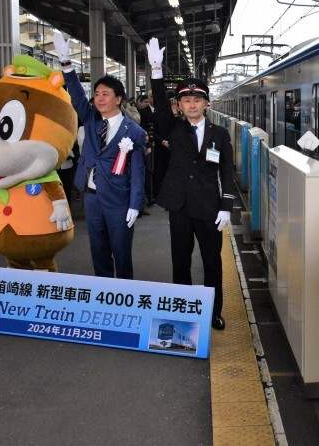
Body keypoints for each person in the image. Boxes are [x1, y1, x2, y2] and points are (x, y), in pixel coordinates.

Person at [147, 37, 234, 331]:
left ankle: (214, 311)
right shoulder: (172, 127)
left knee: (212, 263)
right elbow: (159, 107)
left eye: (197, 99)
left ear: (206, 103)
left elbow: (227, 170)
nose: (192, 104)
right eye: (186, 100)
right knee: (180, 262)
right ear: (180, 105)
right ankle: (184, 310)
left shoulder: (220, 134)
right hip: (180, 206)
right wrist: (156, 71)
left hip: (209, 207)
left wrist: (227, 206)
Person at [53, 31, 147, 279]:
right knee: (99, 251)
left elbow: (137, 172)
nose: (99, 98)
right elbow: (75, 93)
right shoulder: (91, 119)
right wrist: (66, 65)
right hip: (92, 199)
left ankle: (125, 293)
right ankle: (104, 294)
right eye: (96, 94)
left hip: (119, 200)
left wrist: (135, 204)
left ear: (119, 99)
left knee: (122, 252)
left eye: (105, 94)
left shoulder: (134, 131)